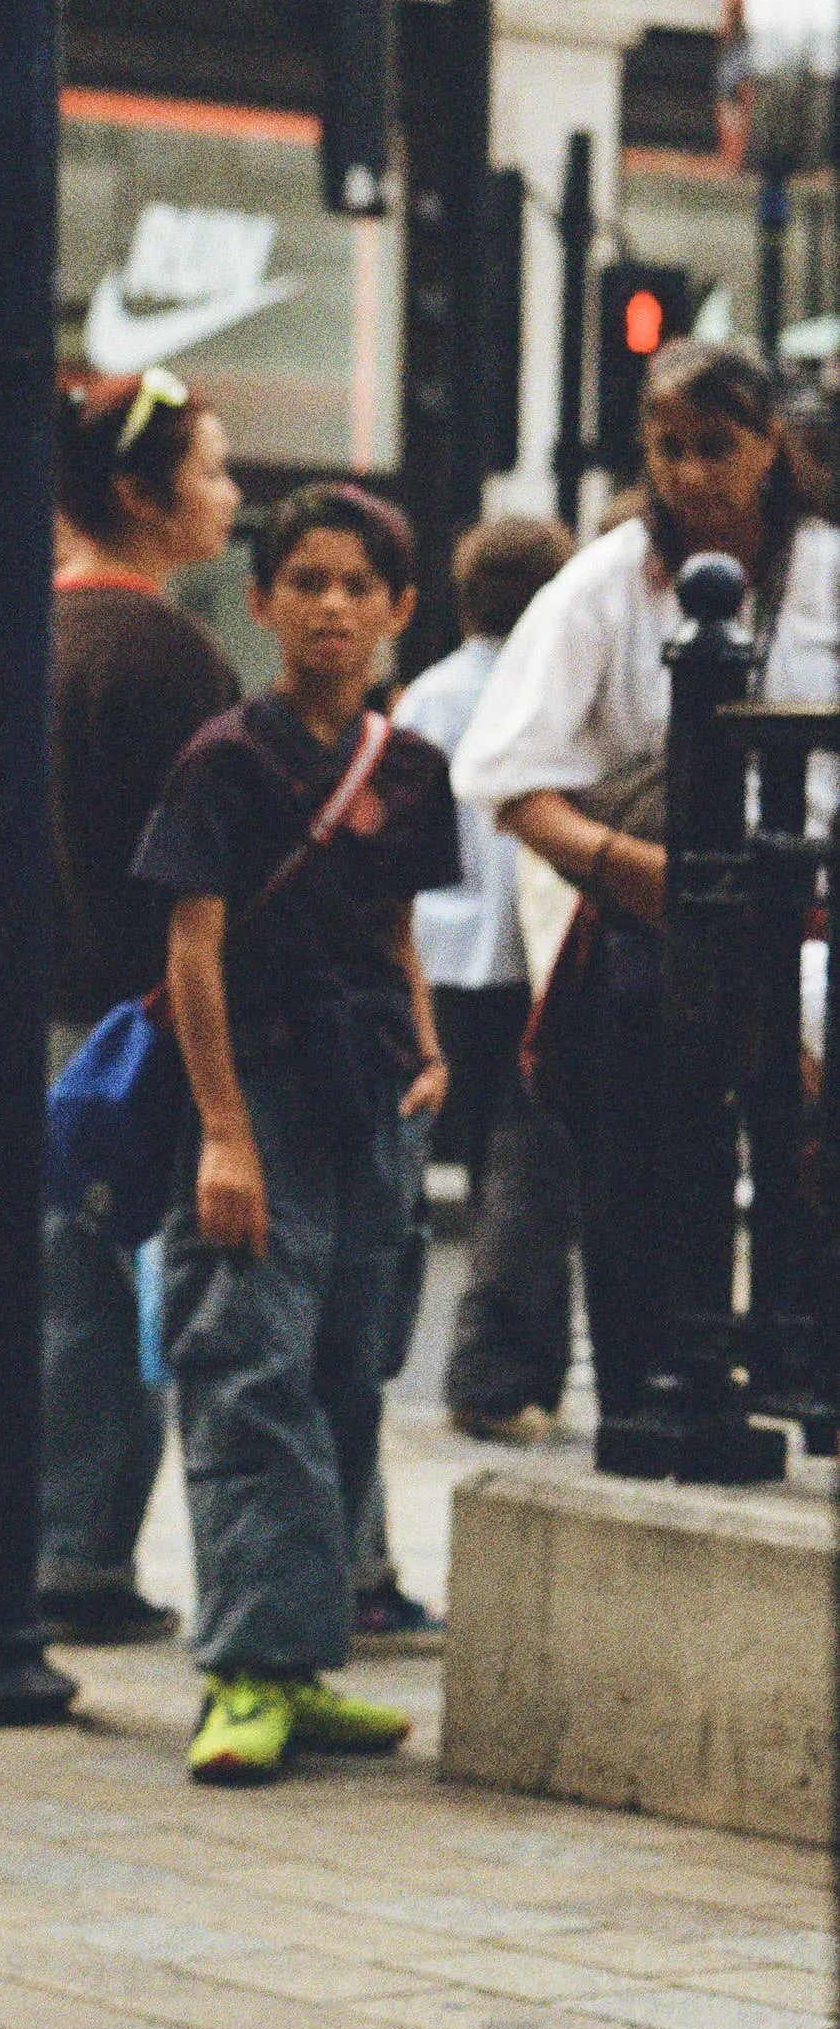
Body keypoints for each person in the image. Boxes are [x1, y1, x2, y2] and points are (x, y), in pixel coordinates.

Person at [456, 338, 840, 1445]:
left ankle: (805, 1379)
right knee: (645, 1156)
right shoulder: (605, 581)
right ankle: (648, 1391)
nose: (688, 472)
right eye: (666, 448)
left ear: (771, 444)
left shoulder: (823, 567)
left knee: (810, 1160)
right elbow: (505, 774)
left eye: (715, 445)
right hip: (649, 916)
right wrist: (636, 872)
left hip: (810, 903)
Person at [138, 481, 457, 1790]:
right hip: (255, 1087)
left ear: (396, 609)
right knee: (245, 1366)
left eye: (355, 586)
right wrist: (221, 1133)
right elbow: (191, 946)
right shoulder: (223, 756)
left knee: (341, 1369)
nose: (329, 606)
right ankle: (245, 1671)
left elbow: (390, 931)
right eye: (304, 582)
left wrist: (427, 1046)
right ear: (259, 600)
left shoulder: (409, 768)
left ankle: (306, 1655)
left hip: (368, 1088)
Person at [31, 366, 242, 1641]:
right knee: (126, 1295)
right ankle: (81, 1559)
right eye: (209, 471)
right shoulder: (170, 655)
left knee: (65, 1292)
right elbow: (208, 870)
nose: (225, 497)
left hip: (29, 1010)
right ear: (137, 495)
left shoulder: (23, 631)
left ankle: (51, 1540)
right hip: (136, 1018)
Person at [403, 514, 582, 1445]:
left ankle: (525, 1368)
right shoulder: (545, 692)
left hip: (438, 964)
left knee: (489, 1159)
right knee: (527, 1163)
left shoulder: (425, 697)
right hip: (527, 959)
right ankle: (495, 1370)